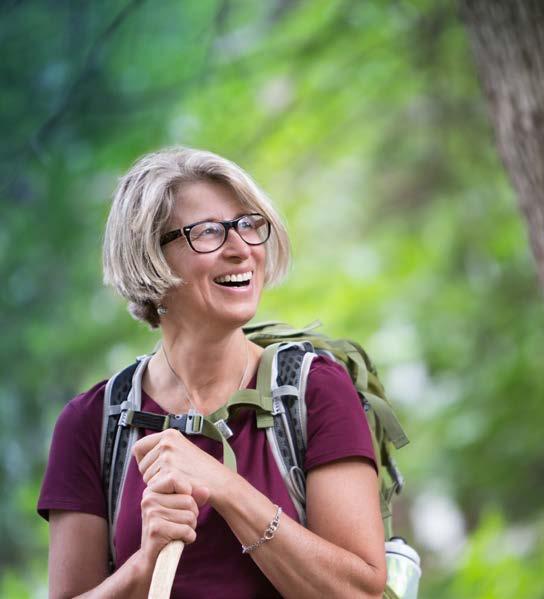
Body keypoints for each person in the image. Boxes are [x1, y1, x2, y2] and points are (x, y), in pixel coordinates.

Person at [37, 147, 387, 598]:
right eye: (208, 233)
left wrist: (227, 488)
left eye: (248, 225)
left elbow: (360, 593)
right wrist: (144, 565)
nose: (241, 249)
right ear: (150, 257)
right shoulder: (91, 424)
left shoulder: (315, 390)